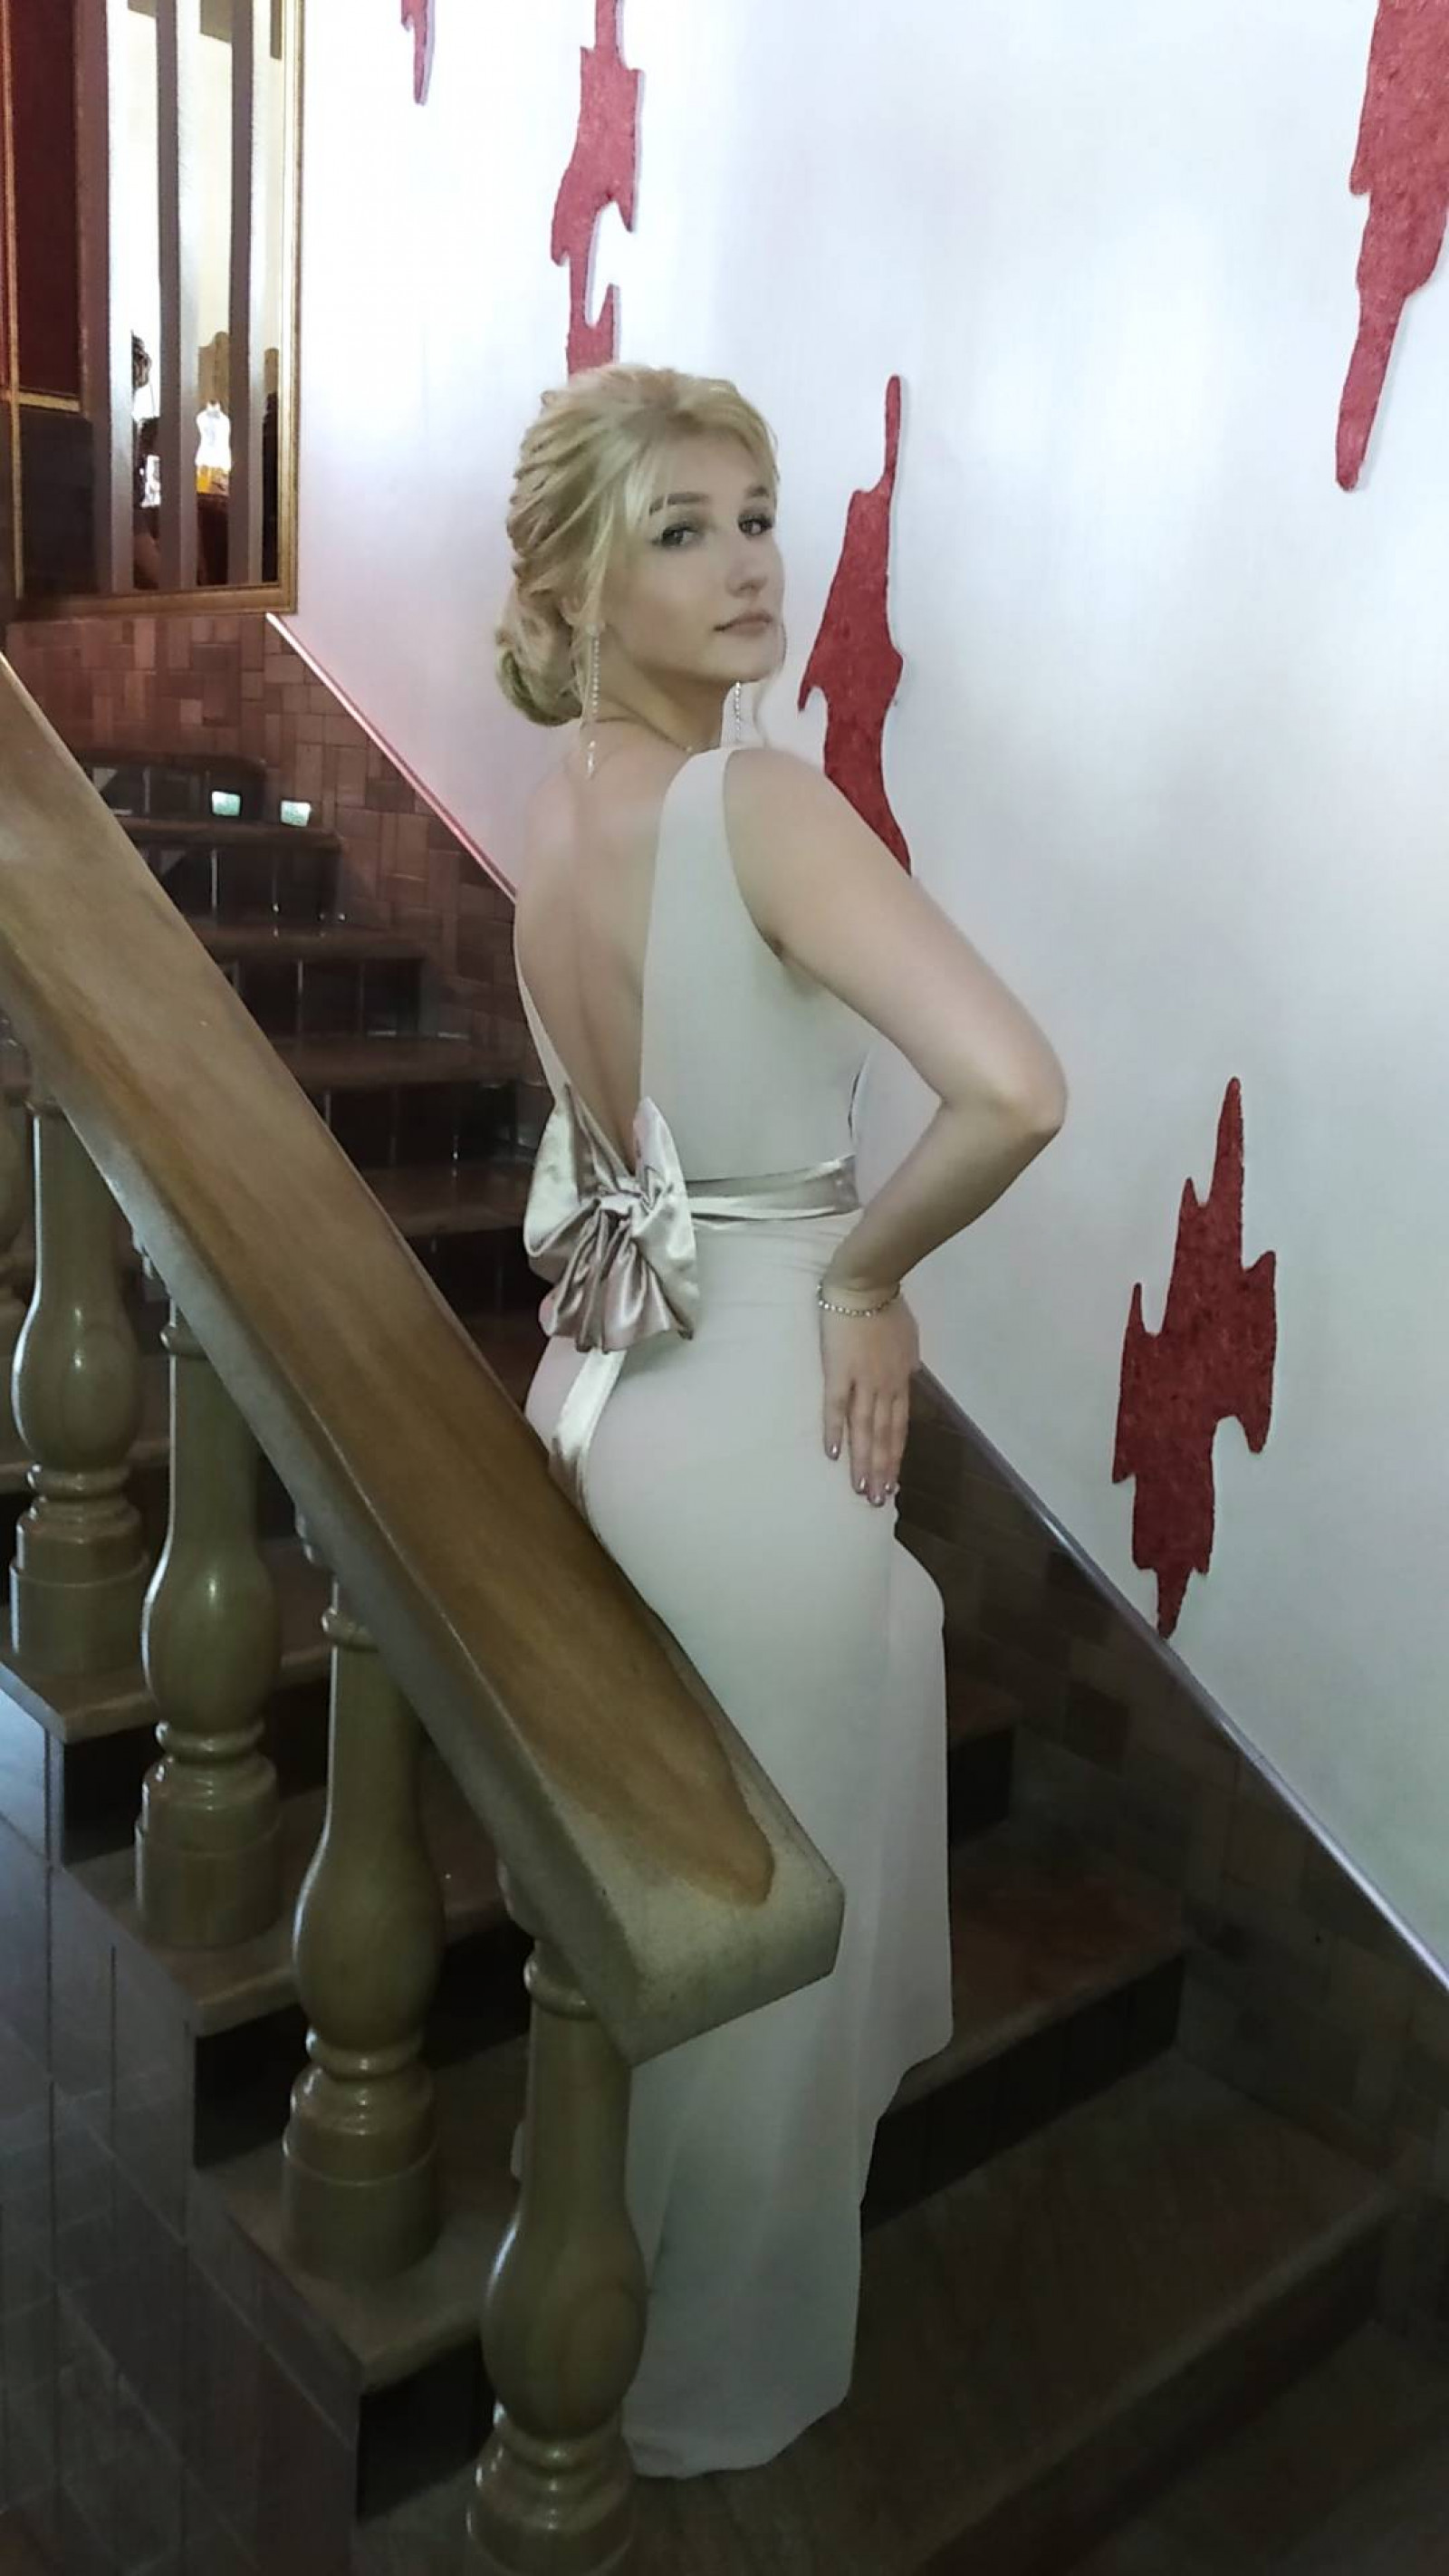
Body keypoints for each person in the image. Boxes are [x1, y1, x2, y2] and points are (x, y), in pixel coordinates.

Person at [495, 362, 1066, 2477]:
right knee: (755, 1956)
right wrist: (856, 1274)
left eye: (755, 512)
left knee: (664, 1899)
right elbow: (1013, 1087)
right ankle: (684, 2402)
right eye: (681, 529)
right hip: (749, 1426)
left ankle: (578, 2295)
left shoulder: (559, 803)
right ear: (580, 583)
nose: (750, 563)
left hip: (598, 1400)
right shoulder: (755, 804)